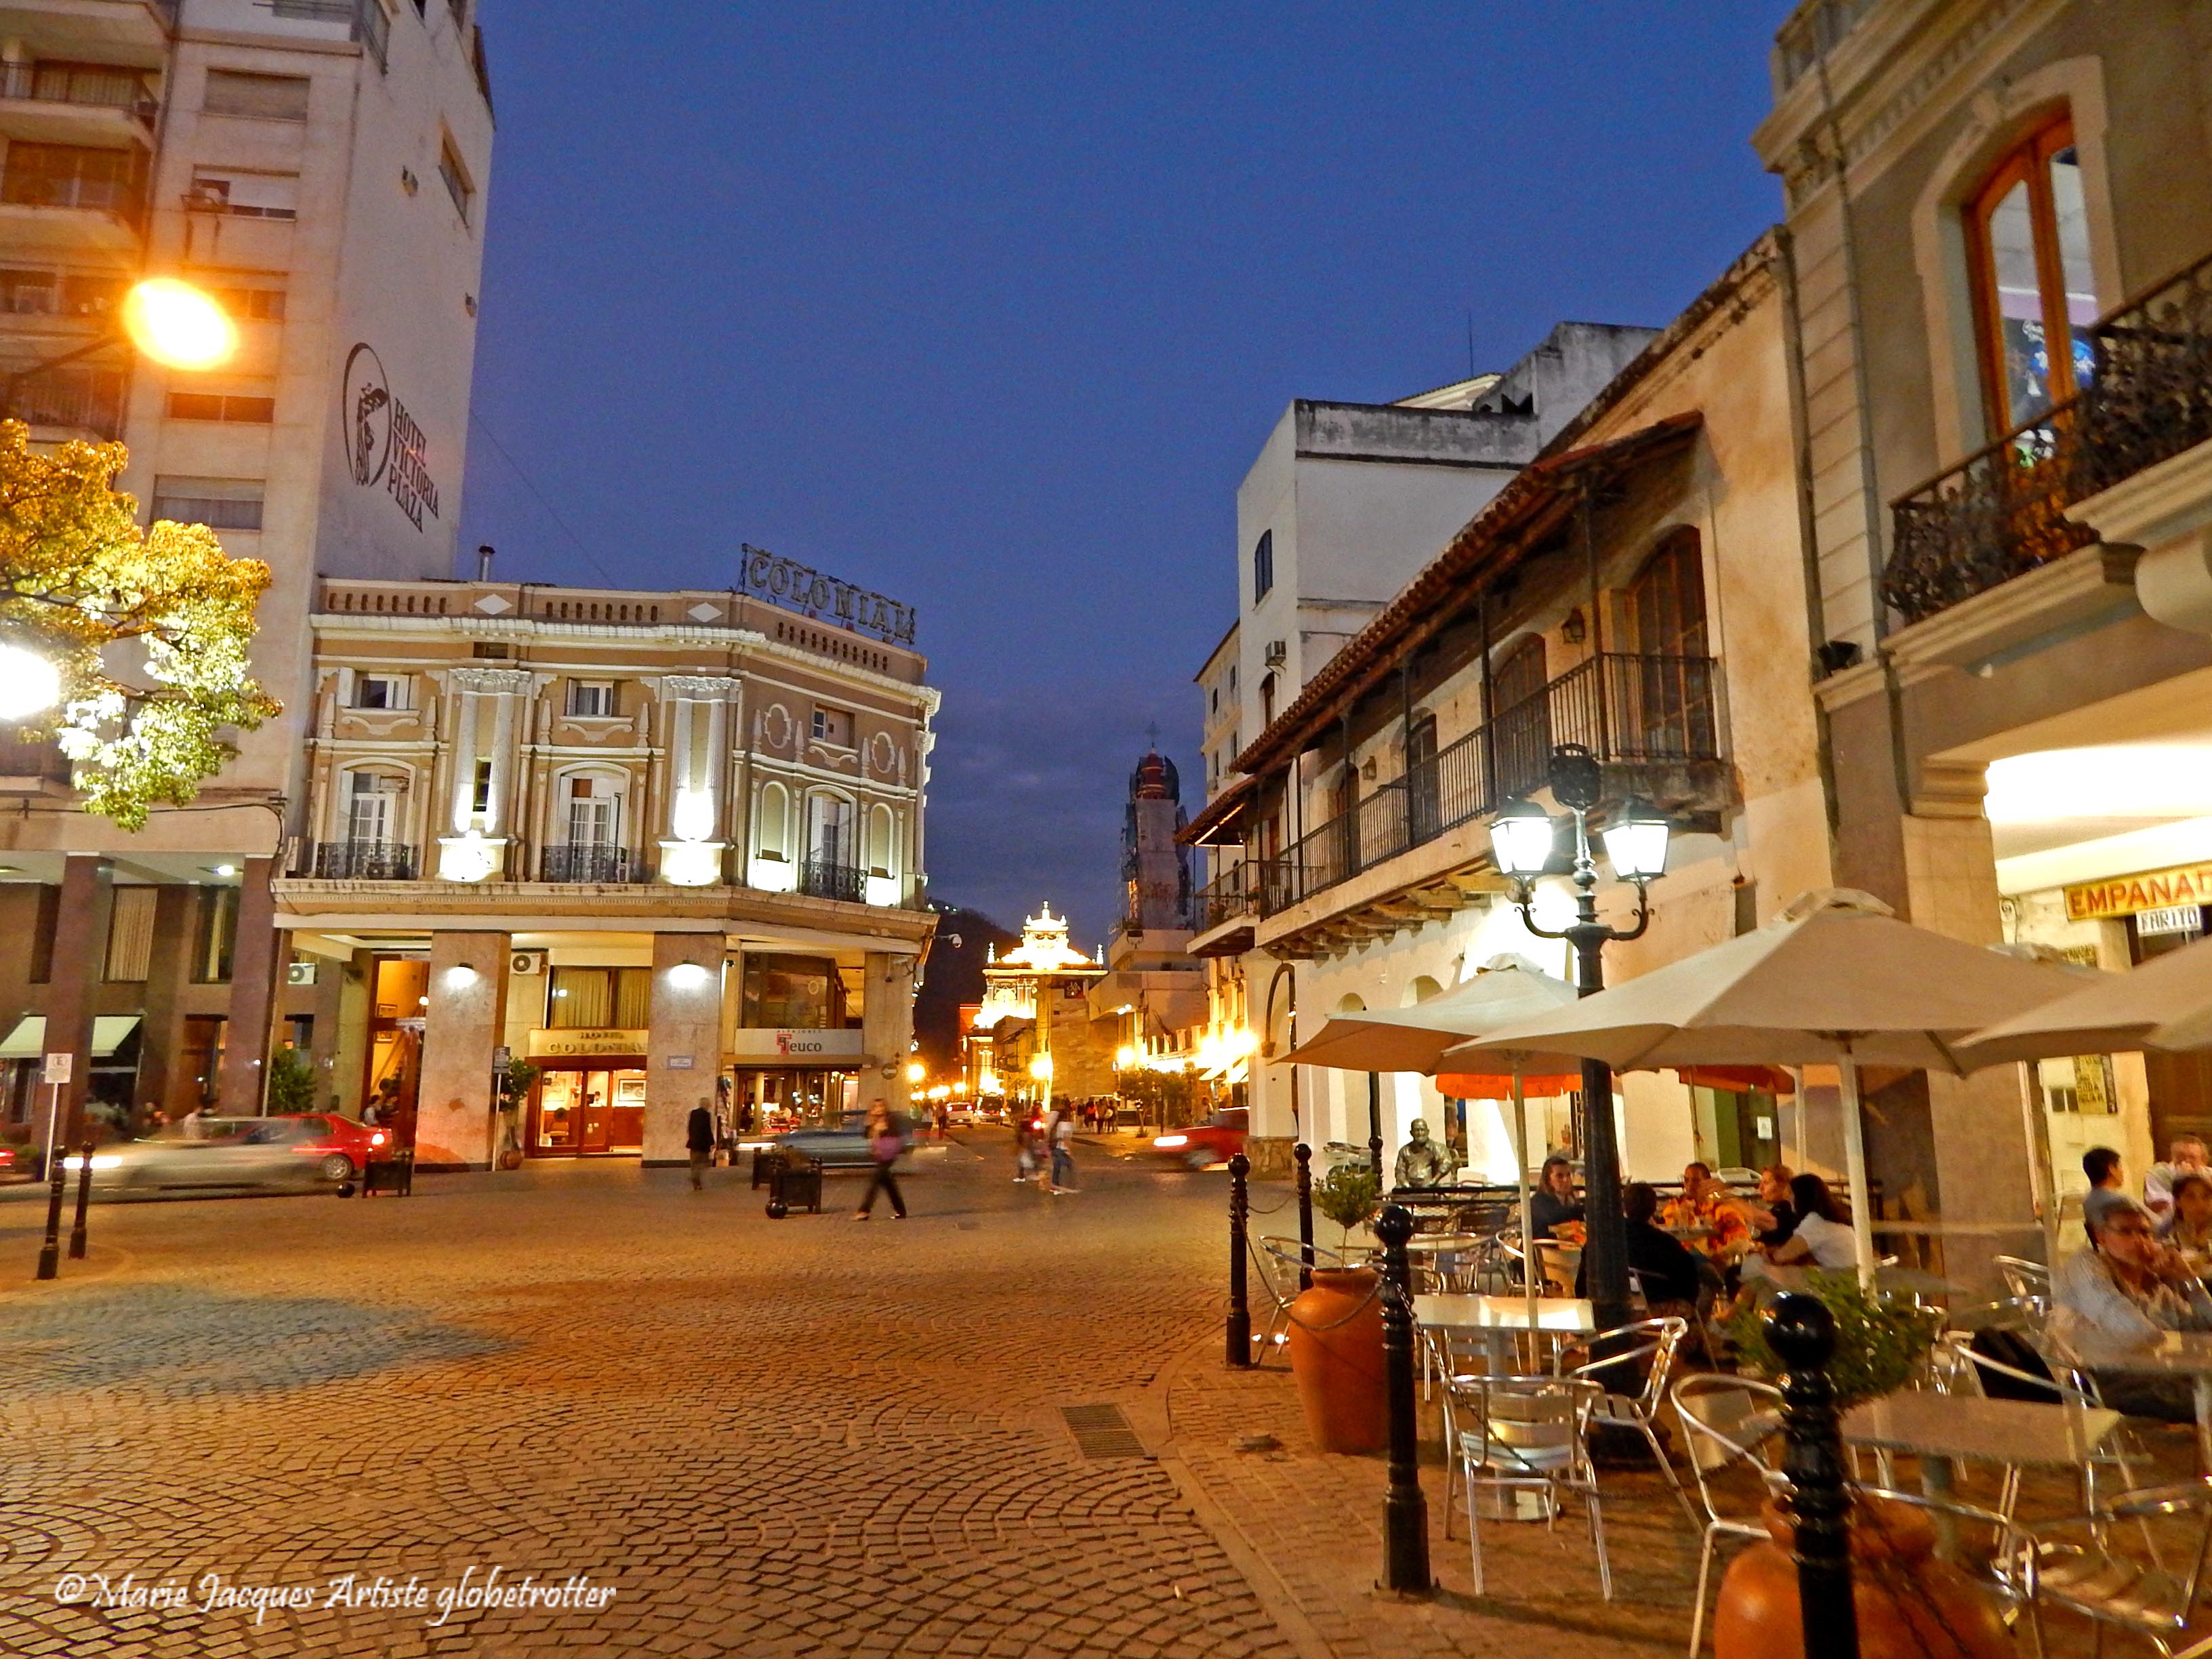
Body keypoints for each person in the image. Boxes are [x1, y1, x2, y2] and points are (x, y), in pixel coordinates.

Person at [2051, 1193, 2212, 1420]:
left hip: (2153, 1374)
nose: (2139, 1241)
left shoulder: (2153, 1284)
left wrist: (2189, 1280)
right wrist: (2170, 1344)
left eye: (2145, 1233)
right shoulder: (2086, 1264)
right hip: (2094, 1381)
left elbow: (2205, 1326)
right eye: (2126, 1232)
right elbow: (2135, 1331)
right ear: (2101, 1237)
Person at [1575, 1181, 1702, 1311]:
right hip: (1658, 1314)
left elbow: (1581, 1286)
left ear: (1624, 1206)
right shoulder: (1666, 1244)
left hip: (1608, 1310)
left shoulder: (1599, 1241)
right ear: (1654, 1208)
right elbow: (1689, 1286)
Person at [1743, 1174, 1860, 1273]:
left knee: (1758, 1273)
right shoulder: (1831, 1217)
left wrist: (1761, 1252)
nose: (1787, 1197)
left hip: (1837, 1280)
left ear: (1801, 1196)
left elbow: (1780, 1257)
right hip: (1845, 1275)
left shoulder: (1815, 1222)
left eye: (1790, 1193)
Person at [1661, 1162, 1750, 1261]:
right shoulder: (1675, 1207)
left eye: (1696, 1181)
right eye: (1686, 1180)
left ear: (1709, 1183)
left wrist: (1720, 1256)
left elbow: (1742, 1242)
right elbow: (1671, 1237)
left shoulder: (1721, 1209)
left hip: (1715, 1262)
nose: (1690, 1185)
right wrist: (1683, 1213)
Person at [855, 1101, 909, 1219]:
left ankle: (864, 1210)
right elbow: (866, 1135)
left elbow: (895, 1134)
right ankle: (901, 1210)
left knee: (875, 1180)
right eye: (876, 1107)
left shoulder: (891, 1119)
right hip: (880, 1155)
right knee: (888, 1183)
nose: (879, 1109)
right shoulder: (873, 1121)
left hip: (888, 1154)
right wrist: (871, 1125)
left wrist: (884, 1128)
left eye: (881, 1106)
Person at [2146, 1135, 2210, 1220]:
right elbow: (2160, 1206)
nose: (2186, 1161)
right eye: (2180, 1156)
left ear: (2202, 1160)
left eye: (2192, 1157)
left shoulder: (2209, 1174)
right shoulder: (2159, 1174)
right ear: (2172, 1157)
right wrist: (2184, 1179)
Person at [1393, 1118, 1458, 1189]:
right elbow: (1400, 1171)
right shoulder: (1404, 1151)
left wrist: (1434, 1180)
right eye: (1417, 1130)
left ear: (1428, 1132)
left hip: (1431, 1188)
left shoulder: (1437, 1147)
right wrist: (1405, 1184)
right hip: (1410, 1188)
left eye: (1422, 1130)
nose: (1420, 1133)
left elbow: (1446, 1163)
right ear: (1411, 1133)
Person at [1530, 1155, 1583, 1241]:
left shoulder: (1571, 1201)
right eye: (1560, 1176)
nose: (1566, 1180)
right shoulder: (1539, 1201)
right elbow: (1555, 1218)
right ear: (1548, 1180)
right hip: (1547, 1247)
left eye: (1568, 1175)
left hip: (1571, 1246)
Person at [2083, 1145, 2131, 1233]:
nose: (2122, 1171)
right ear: (2112, 1169)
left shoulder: (2087, 1201)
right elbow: (2155, 1227)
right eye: (2120, 1166)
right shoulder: (2121, 1202)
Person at [2164, 1172, 2212, 1254]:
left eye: (2206, 1196)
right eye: (2191, 1197)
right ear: (2178, 1202)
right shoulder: (2169, 1232)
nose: (2200, 1204)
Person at [1048, 1098, 1077, 1193]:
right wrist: (1069, 1151)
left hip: (1056, 1148)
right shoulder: (1066, 1125)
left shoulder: (1058, 1124)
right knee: (1069, 1167)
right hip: (1062, 1149)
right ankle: (1066, 1186)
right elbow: (1066, 1139)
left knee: (1057, 1167)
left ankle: (1055, 1185)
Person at [685, 1097, 714, 1191]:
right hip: (703, 1144)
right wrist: (712, 1142)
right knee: (703, 1163)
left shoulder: (693, 1113)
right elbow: (708, 1130)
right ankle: (695, 1178)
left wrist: (691, 1138)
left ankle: (696, 1181)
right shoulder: (706, 1115)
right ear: (706, 1105)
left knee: (694, 1163)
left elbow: (690, 1127)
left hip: (693, 1143)